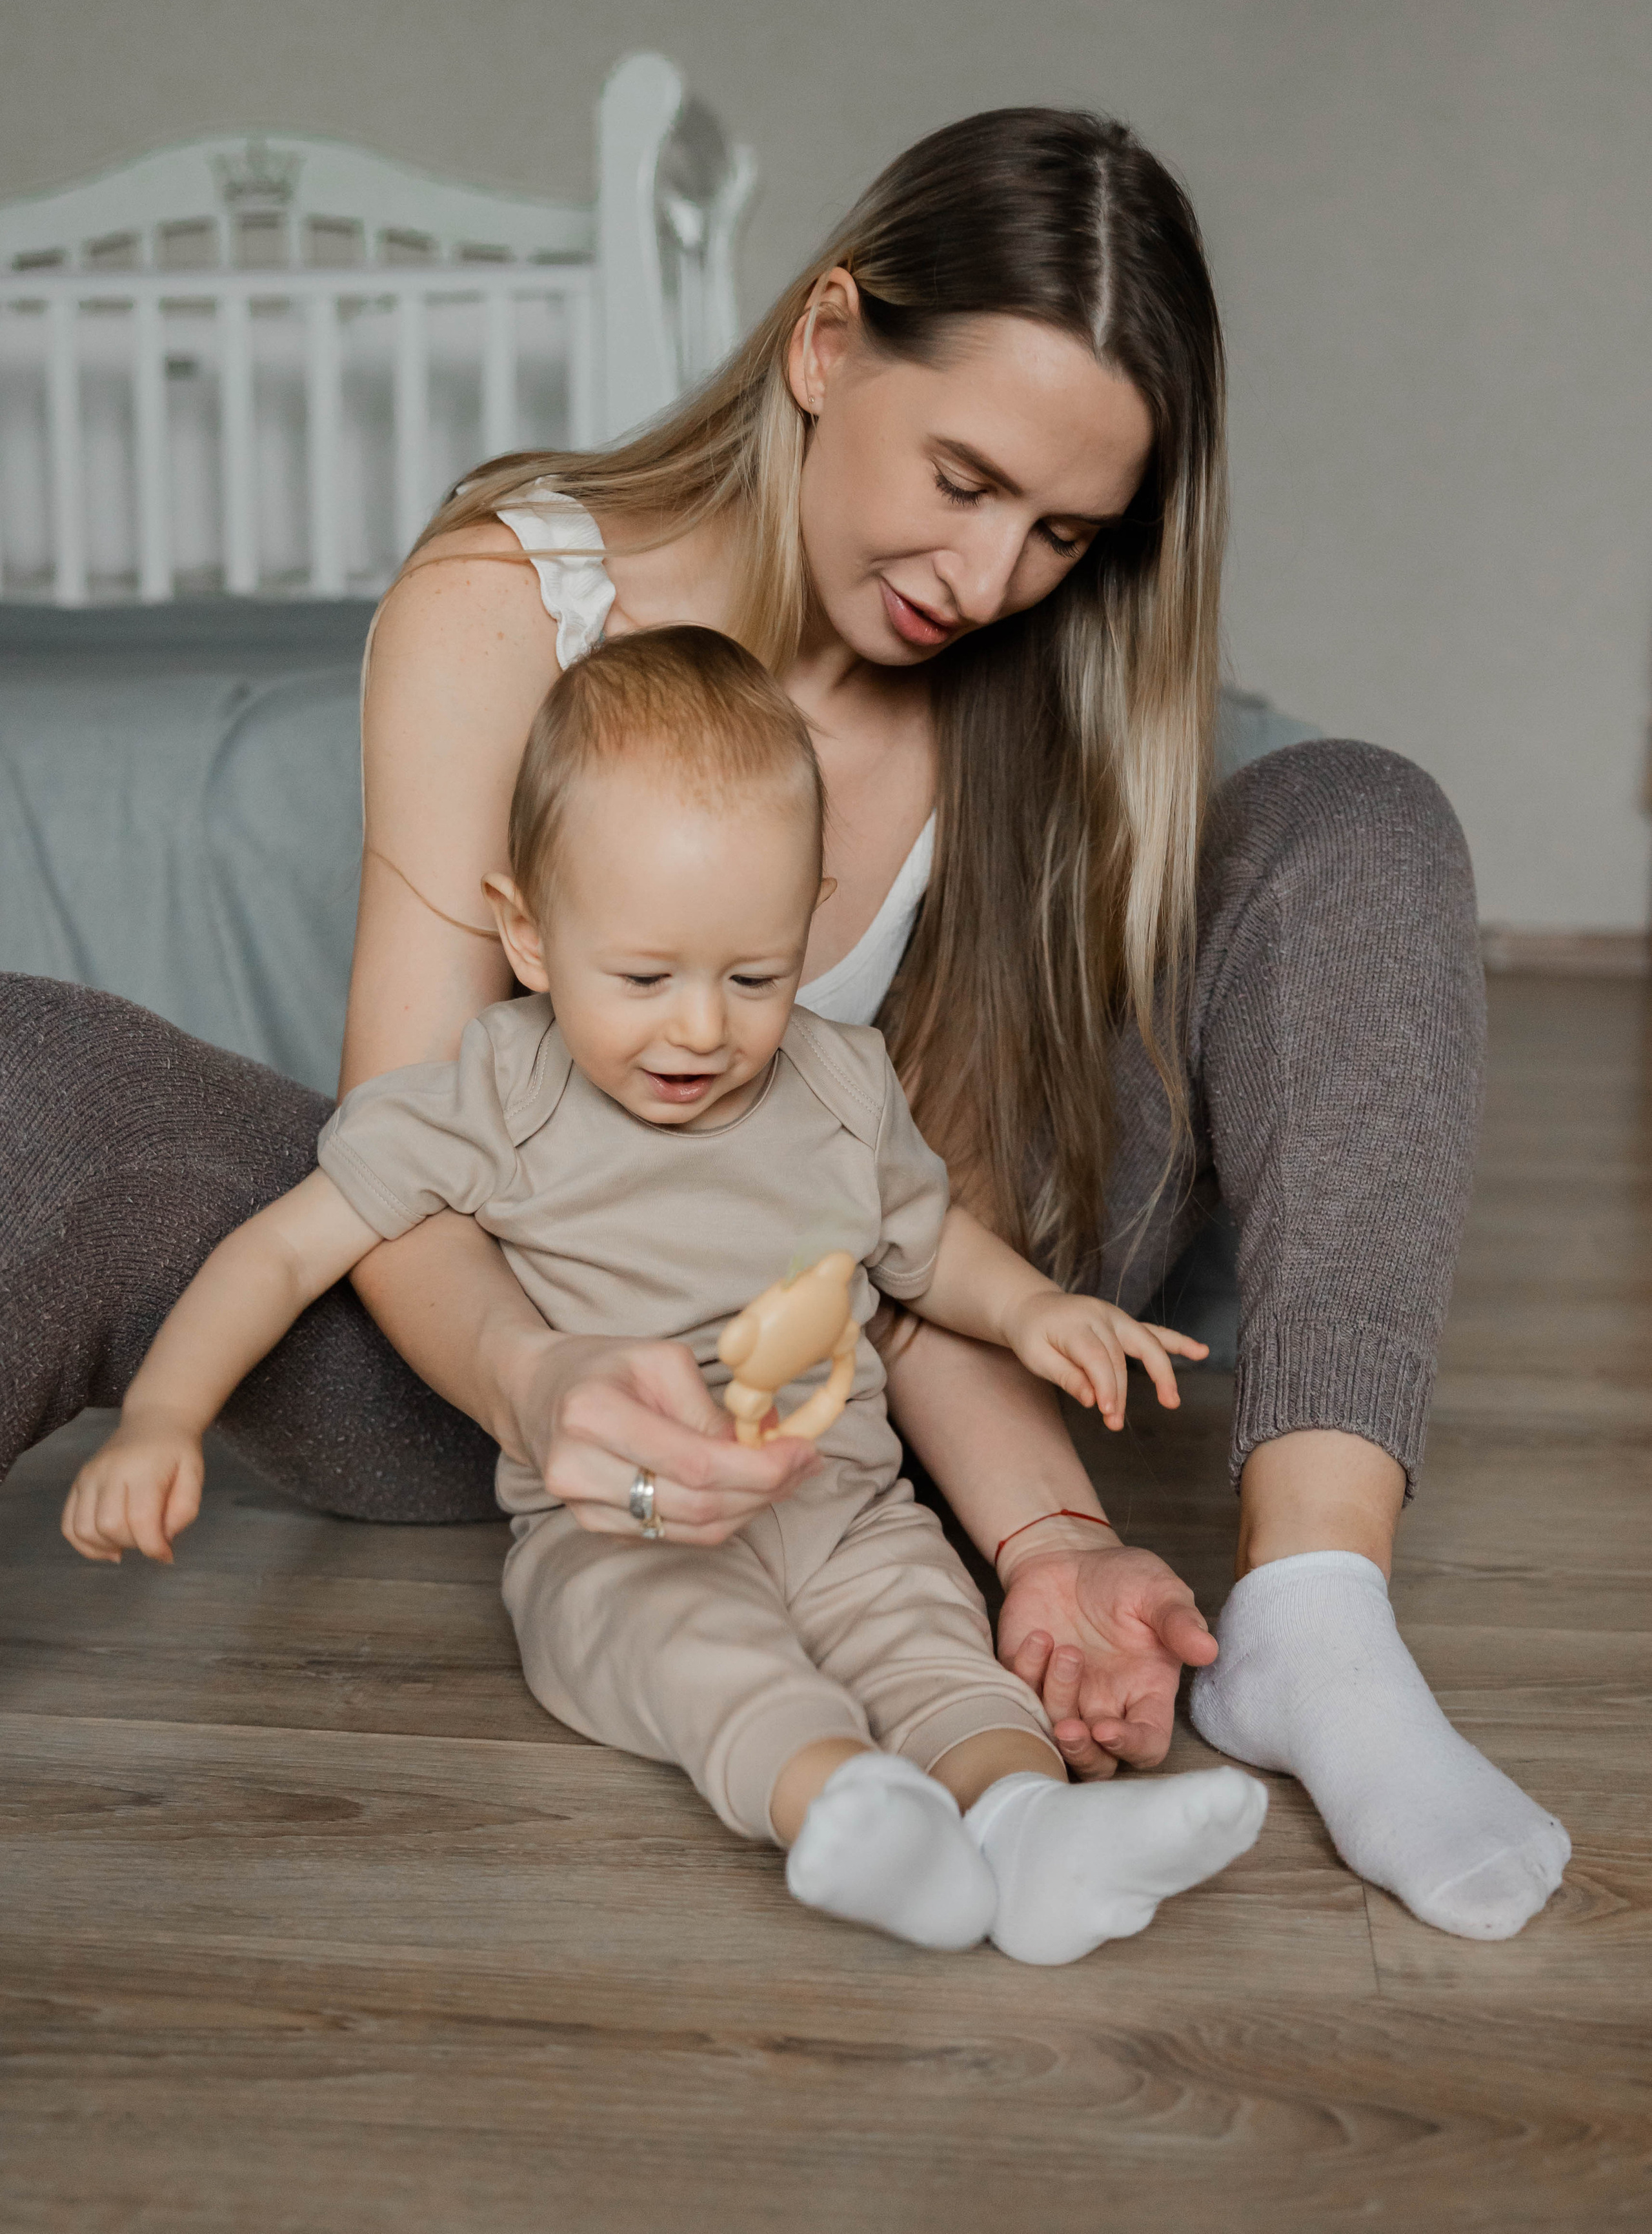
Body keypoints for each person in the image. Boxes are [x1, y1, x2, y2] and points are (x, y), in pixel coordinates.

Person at [3, 103, 1566, 1940]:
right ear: (830, 344)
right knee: (41, 1072)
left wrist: (1053, 1545)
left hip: (897, 1349)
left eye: (1062, 532)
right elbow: (403, 1149)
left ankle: (1317, 1616)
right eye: (963, 481)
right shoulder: (514, 599)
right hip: (523, 1361)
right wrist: (541, 1382)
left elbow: (908, 1243)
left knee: (1360, 812)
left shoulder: (1036, 681)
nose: (985, 583)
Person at [61, 627, 1269, 1965]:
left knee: (940, 1651)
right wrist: (162, 1421)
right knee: (699, 1662)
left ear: (811, 913)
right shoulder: (494, 1093)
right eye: (643, 980)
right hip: (613, 1535)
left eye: (751, 976)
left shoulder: (836, 1080)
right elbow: (284, 1250)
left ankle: (1031, 1826)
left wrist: (1038, 1311)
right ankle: (847, 1813)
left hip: (844, 1502)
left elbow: (927, 1248)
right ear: (525, 932)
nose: (701, 1029)